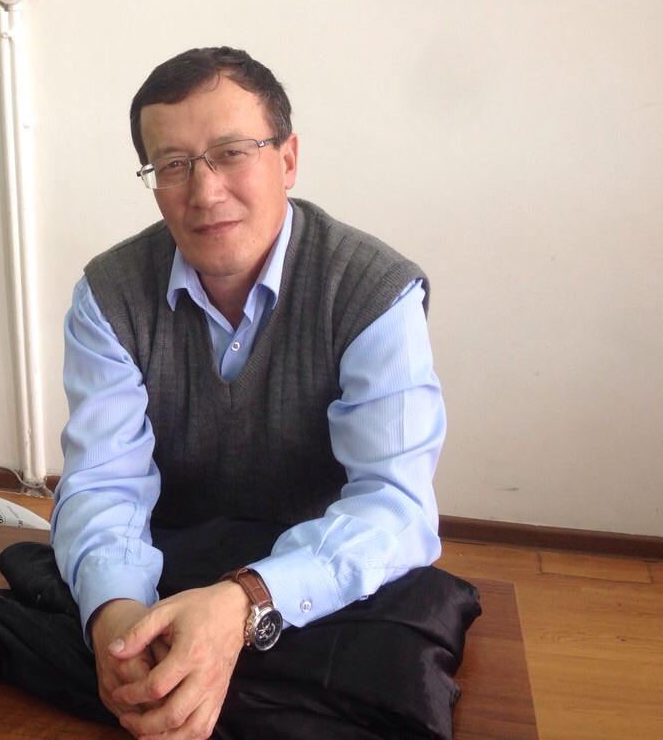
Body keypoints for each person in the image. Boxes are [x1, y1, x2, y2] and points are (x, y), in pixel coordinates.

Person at [52, 47, 445, 738]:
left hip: (319, 586)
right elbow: (104, 483)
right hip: (166, 575)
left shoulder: (372, 293)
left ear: (287, 159)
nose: (204, 193)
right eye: (173, 165)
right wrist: (118, 620)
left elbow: (395, 505)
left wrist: (247, 599)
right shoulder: (109, 297)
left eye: (232, 153)